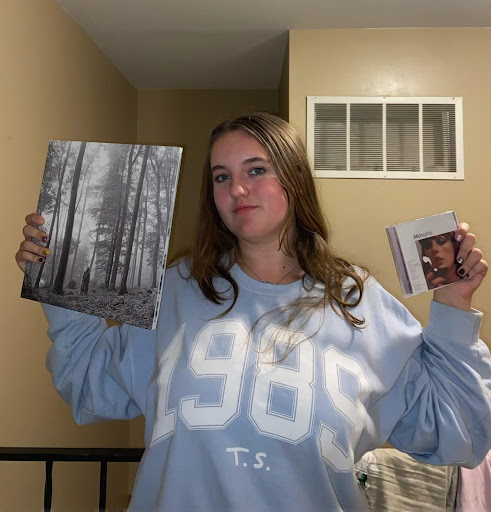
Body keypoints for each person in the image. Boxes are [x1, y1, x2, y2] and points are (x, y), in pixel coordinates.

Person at [15, 113, 491, 512]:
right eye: (222, 176)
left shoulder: (359, 301)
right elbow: (90, 383)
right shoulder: (176, 289)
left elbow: (459, 434)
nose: (237, 189)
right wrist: (61, 277)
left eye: (256, 169)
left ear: (295, 179)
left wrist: (453, 308)